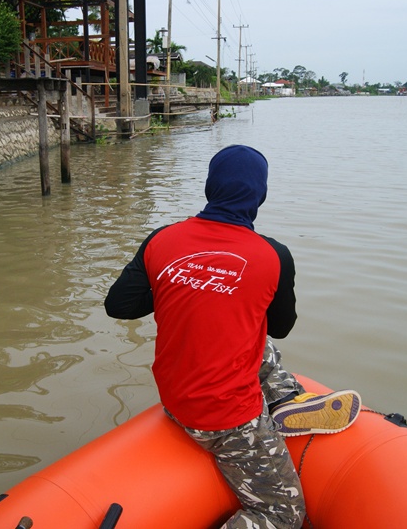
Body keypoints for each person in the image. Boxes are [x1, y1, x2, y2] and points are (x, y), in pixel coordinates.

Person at [104, 145, 361, 528]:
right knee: (284, 514)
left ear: (210, 187)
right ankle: (281, 397)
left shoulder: (162, 239)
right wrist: (222, 288)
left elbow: (120, 306)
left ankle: (283, 399)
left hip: (174, 394)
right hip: (226, 419)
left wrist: (184, 284)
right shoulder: (274, 255)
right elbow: (281, 327)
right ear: (260, 195)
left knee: (246, 333)